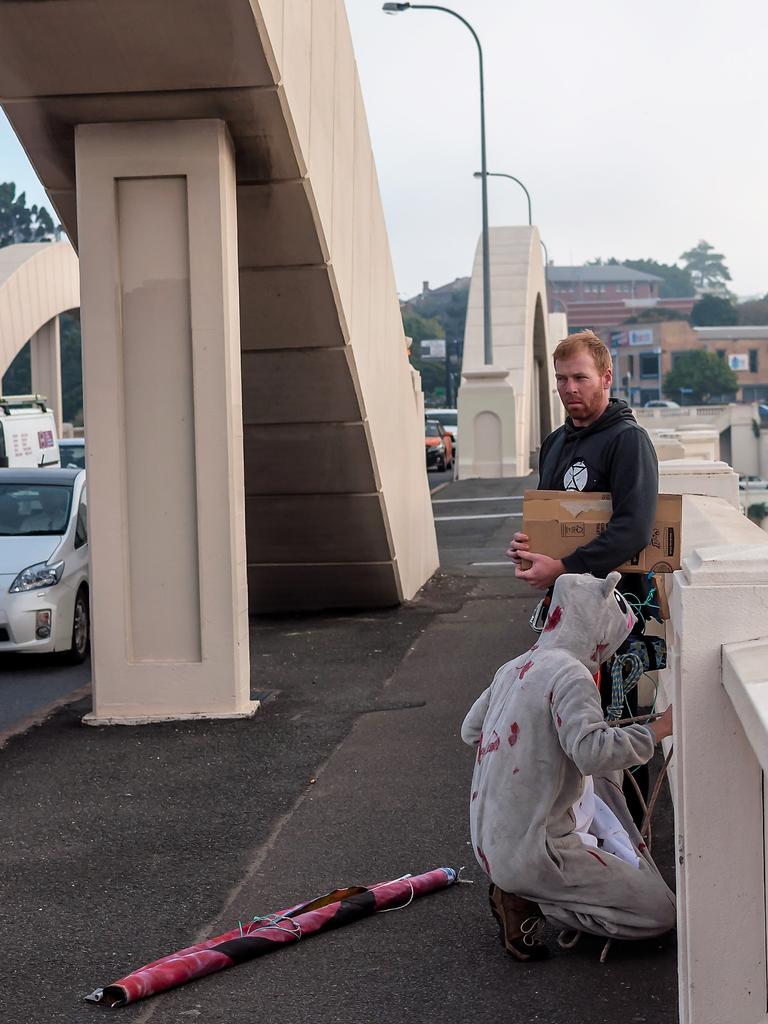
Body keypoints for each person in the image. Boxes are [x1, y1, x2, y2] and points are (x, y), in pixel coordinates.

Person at [461, 572, 676, 961]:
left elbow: (471, 730)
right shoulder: (571, 673)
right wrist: (660, 728)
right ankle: (530, 898)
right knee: (658, 913)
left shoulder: (514, 666)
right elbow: (593, 753)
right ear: (597, 627)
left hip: (490, 842)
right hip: (538, 852)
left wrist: (531, 746)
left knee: (600, 779)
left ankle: (522, 885)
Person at [507, 330, 660, 822]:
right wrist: (529, 551)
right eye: (561, 379)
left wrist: (566, 565)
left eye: (580, 377)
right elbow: (551, 521)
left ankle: (630, 845)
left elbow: (633, 529)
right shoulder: (554, 443)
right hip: (561, 618)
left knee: (613, 729)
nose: (569, 388)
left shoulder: (628, 441)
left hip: (617, 618)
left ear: (606, 379)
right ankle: (576, 838)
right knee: (563, 728)